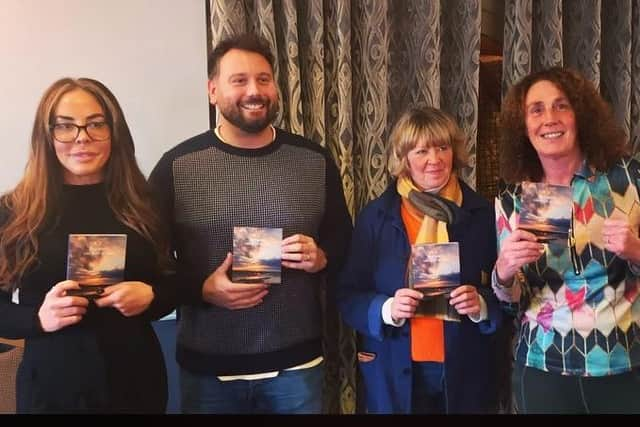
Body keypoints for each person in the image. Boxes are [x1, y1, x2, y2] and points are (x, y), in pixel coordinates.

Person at [148, 33, 352, 414]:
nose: (254, 91)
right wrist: (202, 289)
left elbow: (343, 241)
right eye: (238, 80)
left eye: (263, 79)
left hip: (297, 366)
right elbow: (150, 264)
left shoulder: (314, 160)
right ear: (212, 91)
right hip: (209, 369)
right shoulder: (176, 167)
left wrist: (321, 256)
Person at [0, 78, 176, 413]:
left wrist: (152, 296)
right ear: (46, 135)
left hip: (135, 383)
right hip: (52, 388)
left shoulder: (144, 204)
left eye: (96, 124)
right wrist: (37, 318)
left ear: (115, 132)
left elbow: (173, 280)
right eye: (65, 126)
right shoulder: (13, 211)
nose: (82, 137)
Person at [493, 66, 640, 414]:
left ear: (581, 115)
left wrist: (636, 250)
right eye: (537, 109)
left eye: (562, 106)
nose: (550, 119)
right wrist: (504, 271)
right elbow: (510, 301)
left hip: (624, 365)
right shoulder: (511, 198)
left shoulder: (629, 178)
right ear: (523, 126)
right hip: (544, 368)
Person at [336, 107, 502, 414]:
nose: (434, 159)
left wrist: (481, 306)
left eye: (442, 147)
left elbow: (506, 293)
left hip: (464, 371)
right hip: (393, 370)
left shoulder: (482, 216)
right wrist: (386, 309)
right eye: (421, 150)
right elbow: (348, 296)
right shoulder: (376, 217)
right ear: (404, 159)